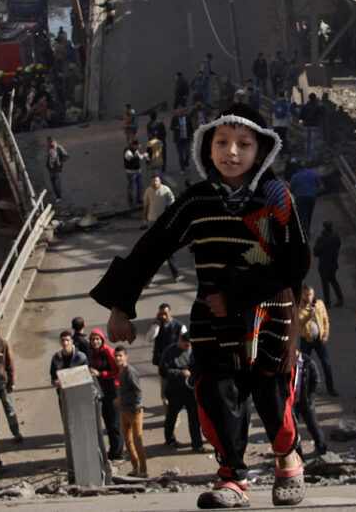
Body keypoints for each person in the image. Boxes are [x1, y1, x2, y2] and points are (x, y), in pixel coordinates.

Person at [91, 102, 310, 508]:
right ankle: (232, 477)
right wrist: (120, 306)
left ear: (261, 151)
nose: (231, 152)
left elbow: (296, 262)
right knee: (216, 393)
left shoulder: (276, 197)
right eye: (222, 142)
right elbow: (151, 248)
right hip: (213, 318)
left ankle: (287, 457)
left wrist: (239, 295)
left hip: (271, 316)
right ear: (206, 147)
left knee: (271, 393)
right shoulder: (195, 202)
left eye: (243, 144)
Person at [159, 333, 203, 451]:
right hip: (175, 390)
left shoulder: (193, 351)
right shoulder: (169, 352)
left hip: (191, 390)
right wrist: (180, 373)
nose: (188, 348)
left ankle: (197, 444)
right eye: (186, 345)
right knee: (172, 416)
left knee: (194, 418)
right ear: (180, 341)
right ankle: (170, 439)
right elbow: (164, 371)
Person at [87, 329, 124, 461]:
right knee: (108, 423)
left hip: (113, 390)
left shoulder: (108, 352)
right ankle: (113, 452)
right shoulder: (92, 354)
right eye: (93, 339)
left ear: (102, 340)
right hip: (102, 391)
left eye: (97, 339)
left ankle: (119, 453)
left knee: (115, 423)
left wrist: (101, 374)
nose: (95, 342)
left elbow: (117, 371)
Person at [297, 286, 337, 396]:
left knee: (326, 364)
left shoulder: (319, 304)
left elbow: (325, 320)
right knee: (305, 366)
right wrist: (309, 314)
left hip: (319, 340)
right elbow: (299, 321)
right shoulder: (299, 307)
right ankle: (306, 390)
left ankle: (330, 387)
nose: (308, 297)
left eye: (310, 294)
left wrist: (325, 335)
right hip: (306, 340)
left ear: (313, 294)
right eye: (306, 295)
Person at [113, 346, 146, 477]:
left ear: (126, 356)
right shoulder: (120, 371)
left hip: (134, 410)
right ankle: (135, 466)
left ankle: (143, 470)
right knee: (128, 440)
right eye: (116, 356)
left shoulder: (130, 371)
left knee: (137, 440)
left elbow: (138, 392)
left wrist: (122, 399)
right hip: (124, 410)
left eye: (120, 355)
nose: (117, 358)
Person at [141, 177, 181, 280]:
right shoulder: (148, 191)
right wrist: (143, 215)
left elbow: (171, 203)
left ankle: (174, 275)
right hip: (152, 220)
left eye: (156, 181)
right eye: (153, 181)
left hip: (163, 221)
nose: (154, 182)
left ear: (160, 182)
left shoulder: (166, 190)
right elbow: (146, 205)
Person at [291, 349, 327, 458]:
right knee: (293, 428)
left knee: (313, 425)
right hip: (293, 403)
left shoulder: (308, 363)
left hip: (306, 401)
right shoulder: (289, 365)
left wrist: (310, 398)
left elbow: (317, 382)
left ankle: (321, 448)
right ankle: (297, 453)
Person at [49, 330, 89, 407]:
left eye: (67, 340)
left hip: (80, 396)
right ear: (60, 342)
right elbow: (53, 377)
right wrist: (56, 382)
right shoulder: (56, 358)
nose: (65, 343)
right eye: (63, 340)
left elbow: (86, 376)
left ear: (72, 341)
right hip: (63, 395)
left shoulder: (81, 357)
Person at [312, 221, 344, 307]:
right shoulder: (336, 236)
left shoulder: (321, 239)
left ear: (324, 227)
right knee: (333, 280)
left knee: (325, 283)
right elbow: (338, 246)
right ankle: (340, 298)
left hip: (324, 263)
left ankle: (327, 301)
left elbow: (316, 252)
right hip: (333, 262)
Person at [288, 165, 322, 237]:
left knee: (302, 215)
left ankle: (306, 232)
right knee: (309, 214)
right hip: (311, 197)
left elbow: (291, 189)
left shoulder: (295, 176)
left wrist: (296, 194)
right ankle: (307, 229)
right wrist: (315, 191)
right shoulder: (312, 173)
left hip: (301, 198)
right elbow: (318, 182)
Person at [297, 93, 323, 163]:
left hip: (306, 126)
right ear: (314, 98)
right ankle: (310, 159)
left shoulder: (305, 106)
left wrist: (303, 121)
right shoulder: (317, 107)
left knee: (306, 142)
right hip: (314, 126)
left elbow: (300, 117)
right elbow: (321, 116)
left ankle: (306, 157)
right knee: (313, 142)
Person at [170, 108, 194, 173]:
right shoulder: (174, 118)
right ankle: (182, 168)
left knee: (187, 153)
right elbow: (171, 127)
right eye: (178, 112)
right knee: (180, 155)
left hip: (186, 138)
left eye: (181, 111)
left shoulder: (187, 117)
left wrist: (192, 135)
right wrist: (176, 127)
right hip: (178, 139)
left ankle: (186, 162)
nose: (179, 113)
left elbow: (190, 127)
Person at [45, 136, 69, 202]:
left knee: (57, 183)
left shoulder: (58, 148)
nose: (49, 143)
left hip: (57, 169)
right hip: (51, 168)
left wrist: (61, 163)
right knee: (53, 183)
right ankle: (57, 196)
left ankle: (59, 196)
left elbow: (66, 155)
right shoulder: (48, 148)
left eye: (50, 141)